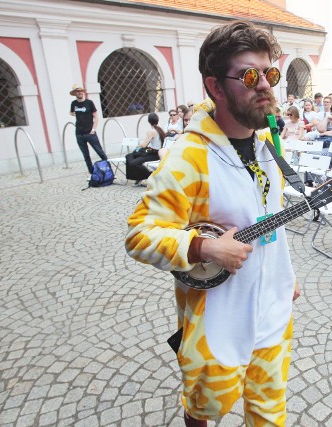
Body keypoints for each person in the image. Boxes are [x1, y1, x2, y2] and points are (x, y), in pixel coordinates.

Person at [125, 21, 300, 427]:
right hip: (215, 317)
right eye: (250, 76)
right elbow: (138, 235)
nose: (266, 86)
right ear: (216, 87)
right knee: (205, 406)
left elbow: (268, 216)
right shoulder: (187, 156)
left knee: (270, 410)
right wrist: (204, 248)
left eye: (270, 74)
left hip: (272, 307)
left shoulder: (269, 141)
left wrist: (283, 274)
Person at [69, 84, 107, 174]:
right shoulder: (74, 103)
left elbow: (96, 117)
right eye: (77, 91)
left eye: (80, 91)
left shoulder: (89, 103)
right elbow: (71, 112)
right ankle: (92, 173)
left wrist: (93, 130)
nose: (79, 93)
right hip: (79, 133)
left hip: (90, 133)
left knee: (100, 152)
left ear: (83, 92)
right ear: (75, 94)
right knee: (86, 155)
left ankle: (108, 170)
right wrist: (75, 114)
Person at [125, 112, 164, 184]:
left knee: (133, 162)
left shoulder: (152, 131)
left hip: (153, 154)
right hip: (154, 152)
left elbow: (144, 145)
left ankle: (150, 175)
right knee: (129, 156)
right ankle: (138, 177)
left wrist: (137, 145)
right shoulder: (160, 130)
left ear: (149, 121)